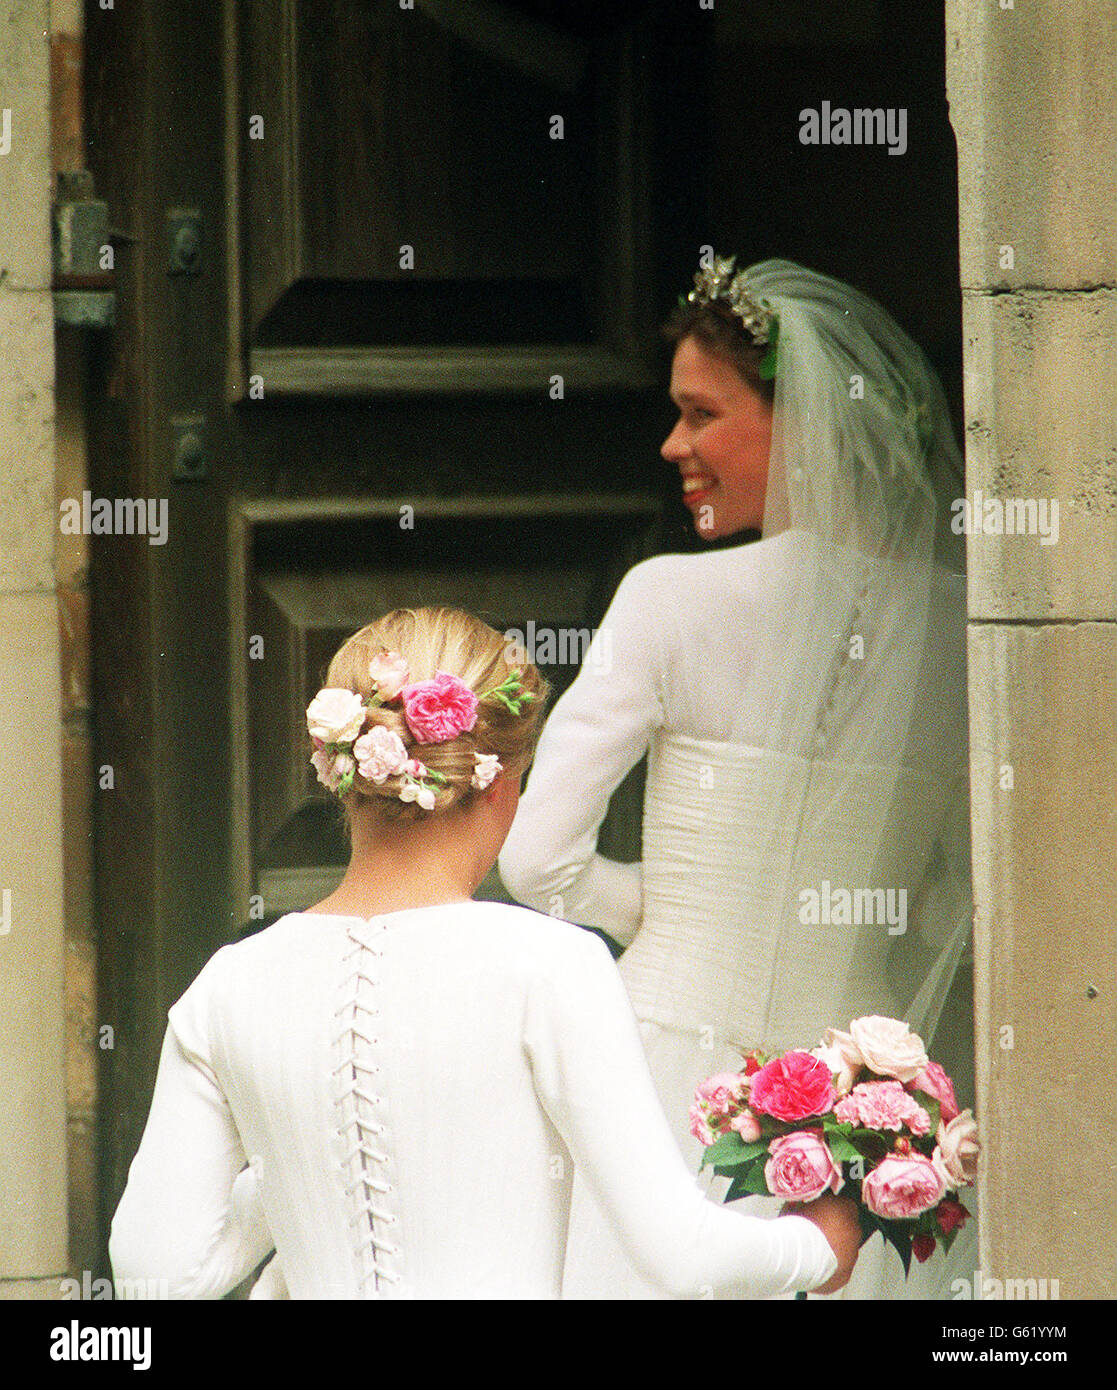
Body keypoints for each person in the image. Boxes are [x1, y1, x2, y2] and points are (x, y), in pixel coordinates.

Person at [108, 605, 862, 1300]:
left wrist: (292, 1149)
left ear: (344, 774)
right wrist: (818, 1247)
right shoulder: (550, 964)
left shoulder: (230, 985)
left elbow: (156, 1276)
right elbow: (678, 1251)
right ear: (500, 787)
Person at [499, 257, 978, 1299]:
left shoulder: (669, 598)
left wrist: (664, 914)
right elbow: (957, 894)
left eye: (699, 413)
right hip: (868, 1093)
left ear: (802, 419)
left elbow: (535, 859)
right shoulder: (960, 628)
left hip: (659, 1074)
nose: (673, 444)